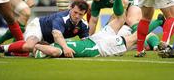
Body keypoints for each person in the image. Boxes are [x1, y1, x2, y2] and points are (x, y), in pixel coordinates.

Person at [34, 13, 163, 58]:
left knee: (134, 38)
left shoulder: (59, 49)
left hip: (101, 46)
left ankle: (159, 21)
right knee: (120, 20)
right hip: (96, 40)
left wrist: (36, 46)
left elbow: (54, 52)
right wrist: (37, 46)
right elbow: (52, 49)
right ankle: (158, 22)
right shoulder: (60, 43)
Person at [0, 0, 89, 58]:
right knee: (30, 45)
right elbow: (57, 35)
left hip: (48, 40)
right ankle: (0, 48)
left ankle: (14, 49)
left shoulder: (84, 25)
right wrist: (65, 48)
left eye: (80, 14)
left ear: (84, 14)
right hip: (38, 27)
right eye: (75, 12)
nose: (77, 16)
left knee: (37, 52)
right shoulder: (61, 18)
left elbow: (85, 42)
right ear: (70, 8)